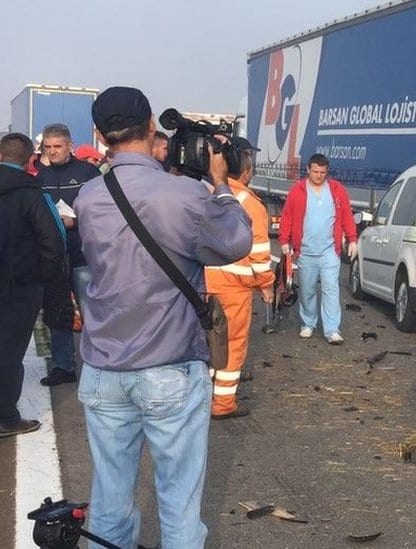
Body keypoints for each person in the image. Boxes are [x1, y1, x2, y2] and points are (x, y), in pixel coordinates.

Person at [74, 86, 252, 548]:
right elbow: (233, 243)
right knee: (178, 502)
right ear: (152, 125)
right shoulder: (184, 194)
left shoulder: (89, 196)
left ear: (99, 133)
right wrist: (219, 184)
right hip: (168, 365)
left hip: (103, 366)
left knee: (109, 499)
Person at [0, 133, 68, 437]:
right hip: (21, 286)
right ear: (30, 160)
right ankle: (6, 417)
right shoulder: (33, 194)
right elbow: (55, 242)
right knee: (10, 351)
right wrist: (44, 277)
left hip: (18, 283)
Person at [204, 137, 274, 419]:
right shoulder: (251, 205)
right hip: (234, 290)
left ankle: (201, 395)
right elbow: (259, 254)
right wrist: (267, 286)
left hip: (203, 284)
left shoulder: (205, 194)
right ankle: (222, 404)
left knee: (205, 342)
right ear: (245, 170)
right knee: (231, 346)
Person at [36, 123, 102, 386]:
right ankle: (63, 366)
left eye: (57, 147)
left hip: (83, 255)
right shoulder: (37, 175)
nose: (52, 152)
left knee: (92, 313)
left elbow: (105, 208)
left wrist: (78, 219)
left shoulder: (88, 172)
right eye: (47, 147)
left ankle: (99, 365)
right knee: (58, 313)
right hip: (52, 258)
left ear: (70, 146)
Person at [279, 154, 358, 343]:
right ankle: (308, 323)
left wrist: (353, 239)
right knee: (307, 290)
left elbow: (347, 214)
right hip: (305, 250)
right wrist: (284, 240)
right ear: (308, 170)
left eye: (323, 172)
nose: (319, 175)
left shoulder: (337, 190)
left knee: (331, 288)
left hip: (329, 250)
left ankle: (332, 329)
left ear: (327, 171)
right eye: (315, 171)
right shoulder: (297, 191)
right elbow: (287, 216)